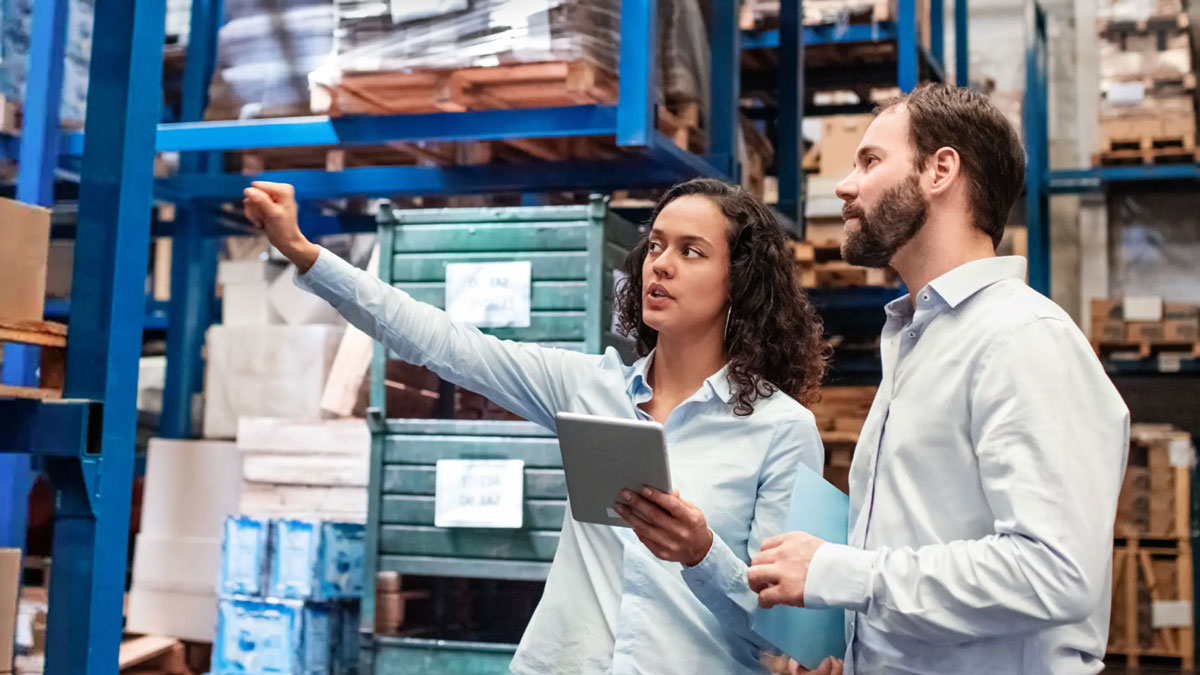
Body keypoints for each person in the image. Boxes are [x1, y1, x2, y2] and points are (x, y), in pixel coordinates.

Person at [243, 177, 830, 675]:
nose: (662, 264)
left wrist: (700, 553)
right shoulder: (588, 387)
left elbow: (783, 630)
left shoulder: (783, 430)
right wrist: (302, 252)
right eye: (656, 246)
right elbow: (442, 342)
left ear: (741, 281)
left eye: (691, 251)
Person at [747, 83, 1130, 675]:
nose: (846, 186)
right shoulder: (918, 337)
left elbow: (1055, 573)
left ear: (940, 170)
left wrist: (839, 573)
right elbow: (920, 548)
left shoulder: (1022, 338)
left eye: (870, 161)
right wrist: (851, 648)